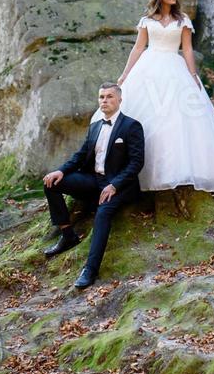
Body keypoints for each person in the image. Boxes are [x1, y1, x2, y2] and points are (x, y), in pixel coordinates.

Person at [117, 0, 214, 195]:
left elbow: (187, 49)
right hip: (148, 69)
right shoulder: (147, 20)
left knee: (180, 117)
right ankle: (140, 175)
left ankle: (183, 172)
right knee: (149, 117)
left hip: (174, 68)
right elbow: (138, 49)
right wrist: (124, 75)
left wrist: (193, 74)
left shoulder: (183, 20)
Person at [41, 81, 145, 289]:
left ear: (119, 100)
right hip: (94, 180)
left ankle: (90, 269)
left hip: (120, 185)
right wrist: (60, 170)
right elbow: (80, 156)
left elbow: (136, 163)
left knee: (103, 213)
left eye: (109, 97)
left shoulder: (131, 126)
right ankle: (68, 236)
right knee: (51, 184)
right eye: (101, 97)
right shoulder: (95, 126)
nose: (104, 100)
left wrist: (114, 185)